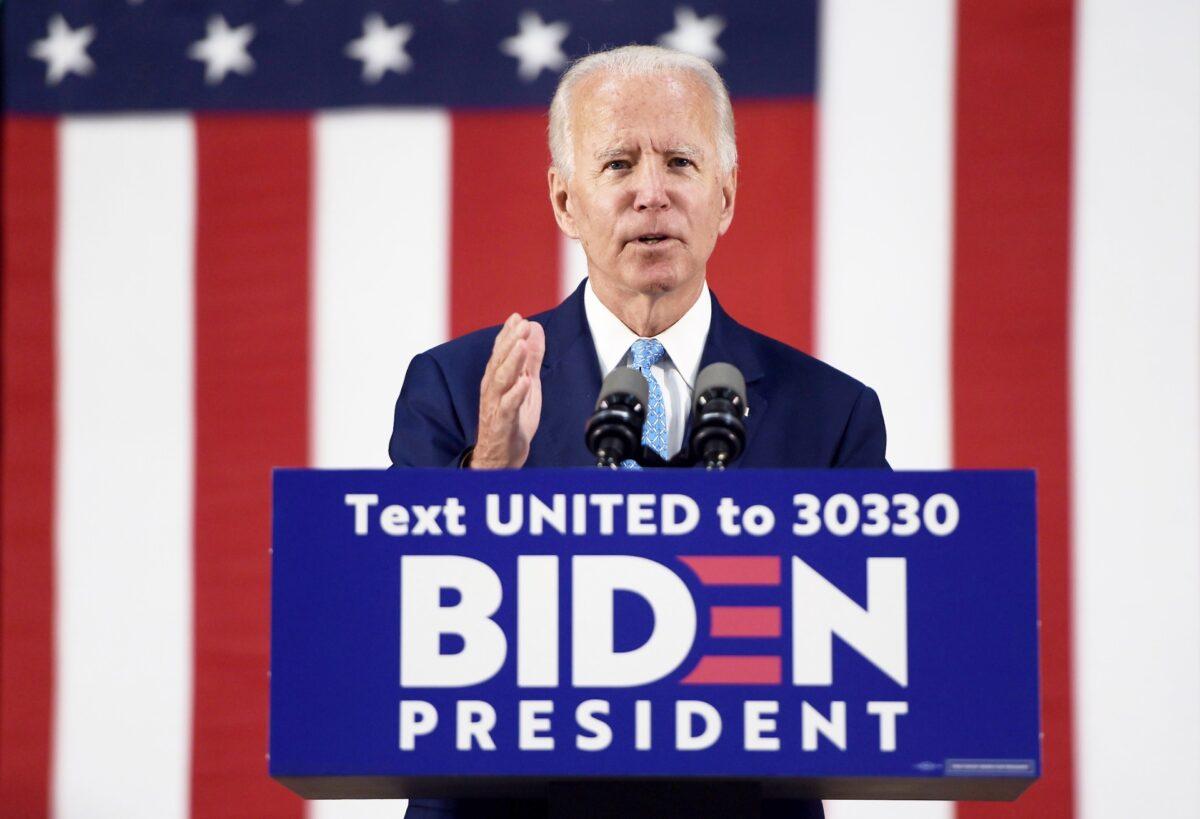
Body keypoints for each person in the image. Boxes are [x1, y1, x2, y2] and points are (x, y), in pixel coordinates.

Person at [391, 44, 887, 819]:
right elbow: (405, 631)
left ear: (725, 196)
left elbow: (870, 665)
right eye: (619, 164)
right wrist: (492, 467)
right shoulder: (455, 390)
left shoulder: (832, 416)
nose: (651, 195)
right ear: (565, 201)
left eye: (681, 163)